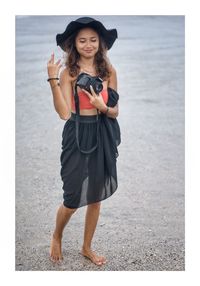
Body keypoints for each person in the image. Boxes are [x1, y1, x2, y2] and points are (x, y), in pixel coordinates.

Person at [47, 17, 121, 266]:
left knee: (96, 196)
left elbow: (115, 111)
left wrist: (102, 106)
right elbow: (64, 114)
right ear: (74, 45)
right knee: (72, 196)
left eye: (93, 40)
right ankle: (57, 235)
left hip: (102, 131)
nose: (88, 44)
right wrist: (53, 81)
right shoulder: (69, 73)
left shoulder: (109, 71)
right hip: (76, 132)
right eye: (82, 40)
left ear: (100, 43)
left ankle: (86, 247)